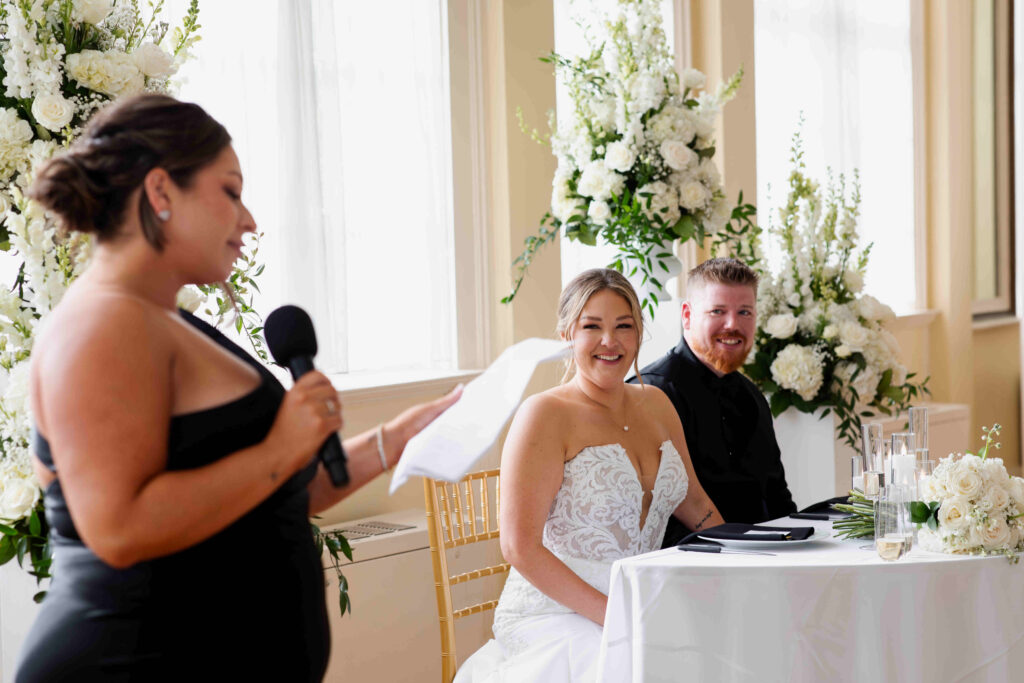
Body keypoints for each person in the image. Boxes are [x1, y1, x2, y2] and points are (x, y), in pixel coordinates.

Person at [14, 94, 461, 683]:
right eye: (230, 191)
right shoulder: (106, 322)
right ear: (160, 193)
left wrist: (397, 440)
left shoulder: (161, 320)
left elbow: (267, 490)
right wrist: (281, 448)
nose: (248, 219)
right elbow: (119, 529)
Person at [456, 268, 723, 682]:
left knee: (730, 639)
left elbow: (696, 504)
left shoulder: (658, 404)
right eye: (592, 326)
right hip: (557, 610)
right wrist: (614, 615)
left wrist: (743, 559)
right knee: (638, 665)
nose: (609, 341)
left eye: (624, 326)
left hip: (641, 598)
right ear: (567, 333)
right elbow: (518, 547)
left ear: (639, 334)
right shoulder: (544, 414)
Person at [632, 258, 795, 548]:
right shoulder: (650, 394)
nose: (733, 324)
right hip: (687, 567)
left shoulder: (752, 397)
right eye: (717, 311)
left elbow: (777, 500)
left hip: (764, 561)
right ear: (687, 315)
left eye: (744, 312)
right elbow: (646, 517)